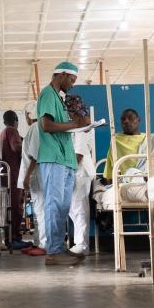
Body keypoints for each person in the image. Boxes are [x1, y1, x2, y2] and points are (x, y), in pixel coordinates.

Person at [36, 62, 89, 265]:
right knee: (54, 205)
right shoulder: (48, 94)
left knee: (63, 206)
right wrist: (74, 124)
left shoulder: (60, 99)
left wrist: (78, 125)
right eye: (72, 80)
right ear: (63, 75)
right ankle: (53, 252)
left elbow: (63, 126)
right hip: (54, 158)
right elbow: (46, 125)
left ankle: (59, 247)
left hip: (65, 159)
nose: (73, 85)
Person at [64, 95, 96, 256]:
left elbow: (79, 153)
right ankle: (79, 243)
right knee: (74, 208)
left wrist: (66, 172)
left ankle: (82, 245)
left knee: (79, 208)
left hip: (80, 172)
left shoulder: (82, 126)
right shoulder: (78, 125)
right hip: (77, 171)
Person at [102, 108, 154, 184]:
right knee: (131, 172)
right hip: (127, 181)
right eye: (123, 119)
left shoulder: (152, 139)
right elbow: (110, 168)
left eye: (130, 118)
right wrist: (110, 187)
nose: (126, 121)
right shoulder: (116, 140)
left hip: (150, 176)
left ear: (138, 120)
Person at [0, 110, 31, 250]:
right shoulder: (12, 131)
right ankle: (14, 238)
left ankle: (10, 237)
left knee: (9, 208)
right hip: (14, 175)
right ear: (16, 120)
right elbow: (16, 147)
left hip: (7, 176)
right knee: (16, 208)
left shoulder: (2, 133)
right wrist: (28, 146)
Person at [17, 107, 47, 256]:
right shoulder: (36, 128)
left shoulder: (36, 128)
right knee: (37, 210)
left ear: (30, 115)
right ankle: (37, 242)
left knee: (41, 210)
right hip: (36, 174)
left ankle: (44, 244)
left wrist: (27, 176)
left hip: (37, 174)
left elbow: (35, 155)